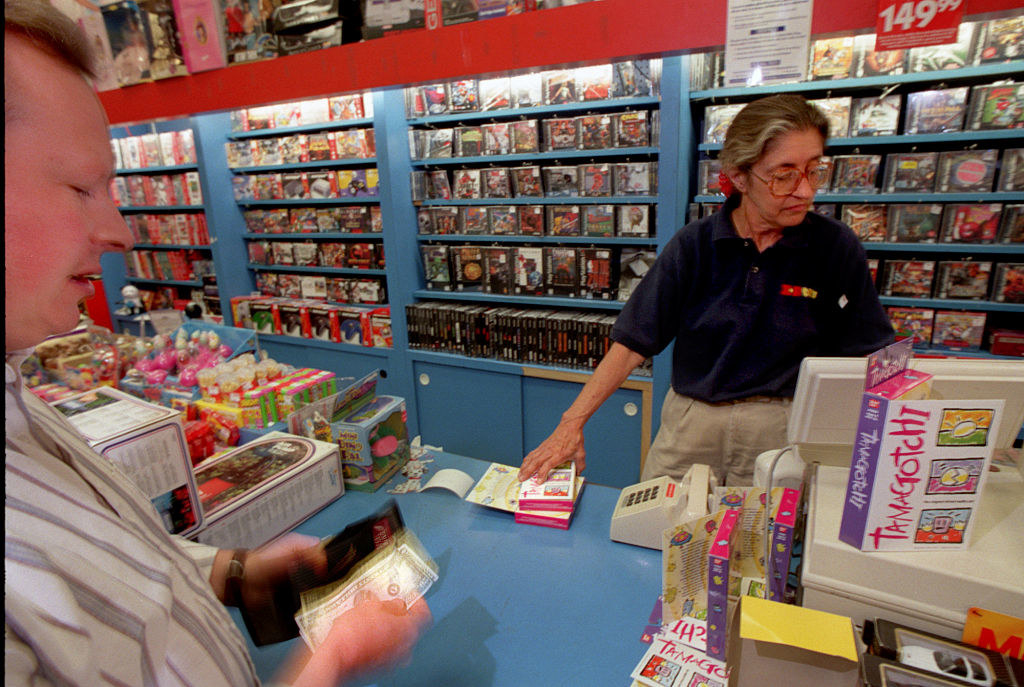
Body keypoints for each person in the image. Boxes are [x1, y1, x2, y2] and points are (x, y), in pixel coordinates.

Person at [4, 2, 430, 685]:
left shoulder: (20, 400)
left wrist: (233, 572)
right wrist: (335, 655)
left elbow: (113, 576)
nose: (123, 233)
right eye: (82, 187)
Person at [519, 94, 894, 487]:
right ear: (740, 175)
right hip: (691, 423)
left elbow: (872, 355)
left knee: (767, 545)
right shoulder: (694, 244)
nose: (805, 191)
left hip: (782, 428)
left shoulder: (835, 246)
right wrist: (570, 424)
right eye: (784, 175)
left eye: (814, 170)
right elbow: (633, 341)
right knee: (655, 532)